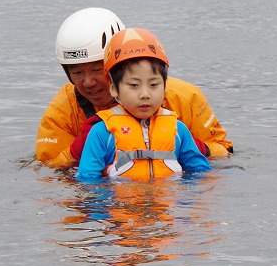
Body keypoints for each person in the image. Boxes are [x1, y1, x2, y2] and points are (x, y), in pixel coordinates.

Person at [35, 8, 233, 169]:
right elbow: (48, 167)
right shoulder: (62, 111)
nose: (88, 82)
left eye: (97, 70)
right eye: (77, 73)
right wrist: (76, 151)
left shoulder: (184, 97)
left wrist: (195, 148)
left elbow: (224, 151)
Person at [75, 28, 213, 181]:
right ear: (114, 88)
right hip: (120, 203)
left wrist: (185, 201)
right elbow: (88, 180)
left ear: (165, 86)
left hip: (168, 203)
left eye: (154, 85)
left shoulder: (178, 129)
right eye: (134, 85)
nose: (145, 94)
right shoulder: (102, 132)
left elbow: (201, 173)